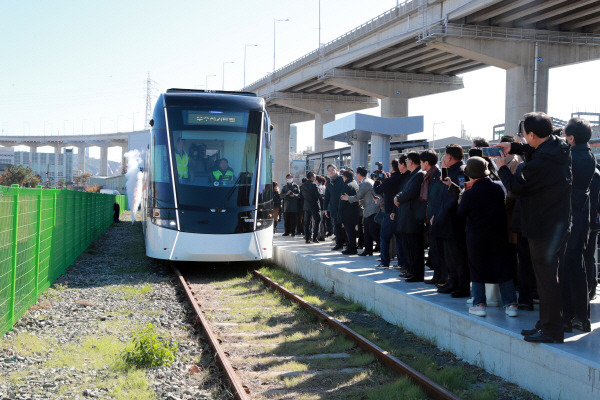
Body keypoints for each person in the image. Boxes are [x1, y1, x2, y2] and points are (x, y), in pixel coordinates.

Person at [496, 112, 571, 344]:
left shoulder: (540, 164)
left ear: (532, 134)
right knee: (549, 278)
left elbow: (517, 188)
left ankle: (552, 329)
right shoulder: (558, 146)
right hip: (555, 222)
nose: (523, 139)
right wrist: (515, 148)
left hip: (543, 226)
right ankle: (547, 323)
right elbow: (536, 150)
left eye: (524, 135)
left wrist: (502, 168)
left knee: (547, 280)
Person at [457, 157, 518, 318]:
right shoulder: (498, 189)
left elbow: (460, 213)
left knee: (477, 268)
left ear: (470, 175)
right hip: (498, 234)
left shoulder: (470, 193)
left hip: (476, 236)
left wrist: (461, 195)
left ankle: (479, 303)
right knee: (503, 267)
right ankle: (511, 304)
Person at [560, 118, 596, 333]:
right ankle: (581, 317)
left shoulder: (571, 157)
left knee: (565, 268)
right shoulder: (588, 154)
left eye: (565, 136)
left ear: (571, 138)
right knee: (578, 267)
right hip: (582, 216)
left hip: (571, 216)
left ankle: (566, 317)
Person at [433, 144, 470, 298]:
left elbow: (463, 193)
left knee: (458, 255)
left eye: (445, 156)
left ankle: (462, 286)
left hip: (455, 219)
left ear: (449, 157)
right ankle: (452, 281)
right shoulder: (450, 171)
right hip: (446, 218)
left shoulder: (461, 171)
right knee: (449, 254)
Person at [394, 152, 426, 282]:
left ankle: (417, 273)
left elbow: (410, 192)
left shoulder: (419, 175)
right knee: (408, 246)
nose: (405, 162)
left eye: (407, 160)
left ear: (411, 161)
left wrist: (398, 198)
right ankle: (411, 270)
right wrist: (398, 197)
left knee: (415, 247)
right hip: (407, 216)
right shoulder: (413, 175)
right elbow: (405, 191)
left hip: (413, 217)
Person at [373, 158, 408, 269]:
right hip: (401, 212)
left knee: (384, 238)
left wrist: (377, 181)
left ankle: (385, 262)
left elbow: (378, 190)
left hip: (390, 213)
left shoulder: (389, 180)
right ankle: (401, 263)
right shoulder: (404, 178)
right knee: (399, 239)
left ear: (393, 167)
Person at [341, 166, 380, 256]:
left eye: (356, 174)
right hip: (370, 209)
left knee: (372, 231)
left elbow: (357, 197)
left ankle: (383, 248)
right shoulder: (369, 181)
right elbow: (366, 197)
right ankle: (368, 250)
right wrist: (360, 202)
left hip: (371, 210)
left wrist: (347, 198)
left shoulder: (364, 183)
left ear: (358, 174)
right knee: (367, 231)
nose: (355, 175)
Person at [419, 150, 444, 285]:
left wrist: (436, 215)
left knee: (438, 249)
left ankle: (440, 276)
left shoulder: (438, 174)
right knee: (434, 249)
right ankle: (437, 275)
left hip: (437, 217)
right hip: (430, 217)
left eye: (422, 162)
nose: (420, 164)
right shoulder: (429, 175)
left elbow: (441, 197)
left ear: (426, 163)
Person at [585, 166, 600, 301]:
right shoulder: (595, 172)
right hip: (591, 221)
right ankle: (591, 288)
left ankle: (590, 289)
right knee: (590, 257)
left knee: (588, 257)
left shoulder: (593, 174)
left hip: (590, 222)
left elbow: (594, 202)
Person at [324, 165, 346, 251]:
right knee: (337, 226)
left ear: (336, 169)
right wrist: (325, 208)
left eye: (332, 170)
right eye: (329, 171)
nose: (331, 172)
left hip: (343, 206)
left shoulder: (342, 179)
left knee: (346, 226)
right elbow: (327, 196)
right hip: (333, 207)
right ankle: (339, 243)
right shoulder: (329, 182)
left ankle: (348, 243)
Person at [338, 169, 360, 255]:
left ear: (345, 177)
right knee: (352, 231)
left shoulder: (346, 185)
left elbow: (342, 200)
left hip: (347, 212)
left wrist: (339, 211)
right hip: (355, 211)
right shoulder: (355, 184)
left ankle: (351, 248)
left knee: (349, 231)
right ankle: (352, 246)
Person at [300, 172, 322, 244]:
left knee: (307, 222)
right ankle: (315, 237)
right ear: (312, 177)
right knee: (317, 220)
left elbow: (301, 196)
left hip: (306, 206)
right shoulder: (314, 185)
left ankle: (307, 238)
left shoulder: (302, 186)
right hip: (314, 205)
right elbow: (317, 195)